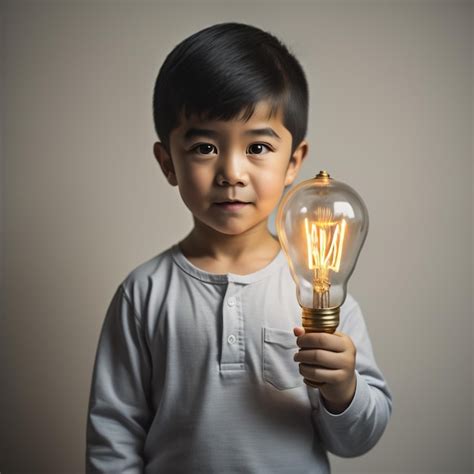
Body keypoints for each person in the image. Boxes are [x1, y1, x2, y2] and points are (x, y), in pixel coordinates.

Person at [85, 21, 393, 473]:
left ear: (294, 162)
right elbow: (113, 434)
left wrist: (343, 388)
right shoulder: (144, 293)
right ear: (167, 162)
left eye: (259, 147)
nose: (232, 171)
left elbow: (357, 440)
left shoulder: (316, 288)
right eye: (206, 146)